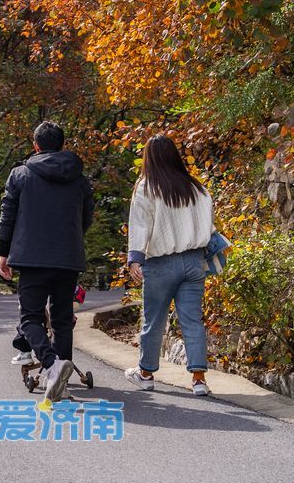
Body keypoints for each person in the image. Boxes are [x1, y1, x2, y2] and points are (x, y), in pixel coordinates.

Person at [0, 120, 94, 404]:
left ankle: (52, 367)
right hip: (67, 257)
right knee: (63, 319)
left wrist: (5, 253)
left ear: (36, 146)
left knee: (30, 317)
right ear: (61, 146)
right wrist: (70, 240)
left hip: (31, 257)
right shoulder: (80, 179)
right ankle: (60, 379)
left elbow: (8, 216)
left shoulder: (20, 174)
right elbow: (85, 218)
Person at [125, 134, 214, 397]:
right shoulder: (196, 187)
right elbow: (208, 227)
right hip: (194, 261)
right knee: (192, 321)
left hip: (161, 263)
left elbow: (140, 225)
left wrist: (135, 258)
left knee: (154, 320)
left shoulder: (146, 187)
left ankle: (146, 374)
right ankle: (199, 380)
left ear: (149, 158)